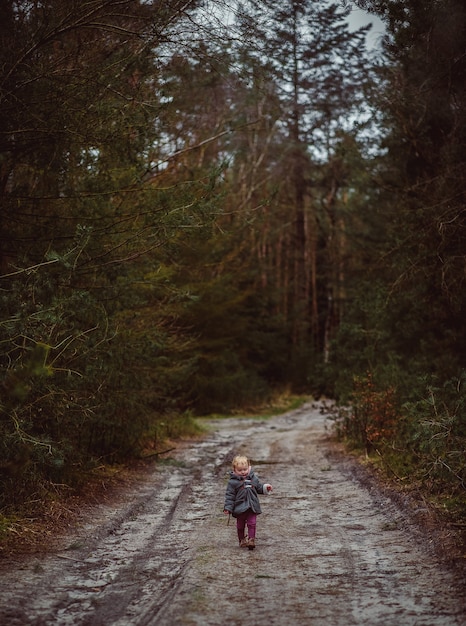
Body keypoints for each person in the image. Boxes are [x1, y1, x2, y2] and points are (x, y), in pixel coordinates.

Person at [223, 455, 273, 550]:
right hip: (239, 508)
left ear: (248, 467)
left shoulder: (253, 478)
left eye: (245, 469)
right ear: (234, 470)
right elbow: (230, 496)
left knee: (252, 523)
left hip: (252, 506)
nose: (243, 472)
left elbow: (259, 488)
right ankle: (242, 539)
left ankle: (251, 540)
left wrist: (266, 488)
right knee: (240, 525)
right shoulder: (233, 482)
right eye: (240, 470)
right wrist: (228, 508)